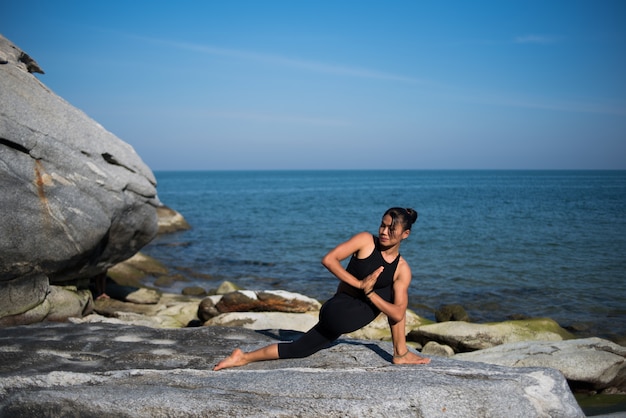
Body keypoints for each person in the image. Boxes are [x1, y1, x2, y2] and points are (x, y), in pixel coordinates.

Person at [213, 207, 430, 371]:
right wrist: (362, 286)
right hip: (339, 312)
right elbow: (329, 260)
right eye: (382, 225)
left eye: (392, 229)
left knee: (298, 349)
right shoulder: (365, 241)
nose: (384, 231)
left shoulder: (402, 268)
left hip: (339, 314)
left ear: (405, 234)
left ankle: (242, 357)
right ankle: (400, 352)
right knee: (391, 288)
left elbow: (398, 313)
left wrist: (370, 292)